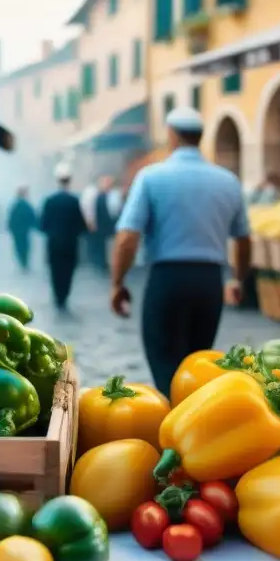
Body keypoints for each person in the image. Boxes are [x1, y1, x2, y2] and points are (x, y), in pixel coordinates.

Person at [110, 107, 251, 399]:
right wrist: (238, 279)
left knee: (164, 360)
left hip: (167, 280)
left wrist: (117, 283)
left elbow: (127, 238)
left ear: (171, 135)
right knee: (198, 362)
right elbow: (244, 238)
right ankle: (193, 423)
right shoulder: (228, 181)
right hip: (209, 282)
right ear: (200, 137)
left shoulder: (151, 177)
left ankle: (172, 424)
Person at [39, 163, 88, 311]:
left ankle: (58, 295)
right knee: (68, 270)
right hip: (71, 243)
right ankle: (64, 294)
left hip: (54, 243)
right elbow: (81, 224)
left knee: (55, 270)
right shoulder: (74, 200)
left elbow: (42, 224)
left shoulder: (50, 200)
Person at [86, 175, 118, 271]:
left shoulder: (114, 195)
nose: (106, 185)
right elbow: (90, 210)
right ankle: (101, 263)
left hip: (110, 224)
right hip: (100, 224)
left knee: (111, 244)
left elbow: (115, 210)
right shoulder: (95, 195)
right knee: (100, 245)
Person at [7, 186, 36, 271]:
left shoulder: (15, 205)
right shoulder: (26, 204)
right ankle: (24, 262)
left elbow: (11, 218)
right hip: (24, 229)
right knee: (25, 246)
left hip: (17, 230)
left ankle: (22, 262)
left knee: (19, 246)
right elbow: (32, 216)